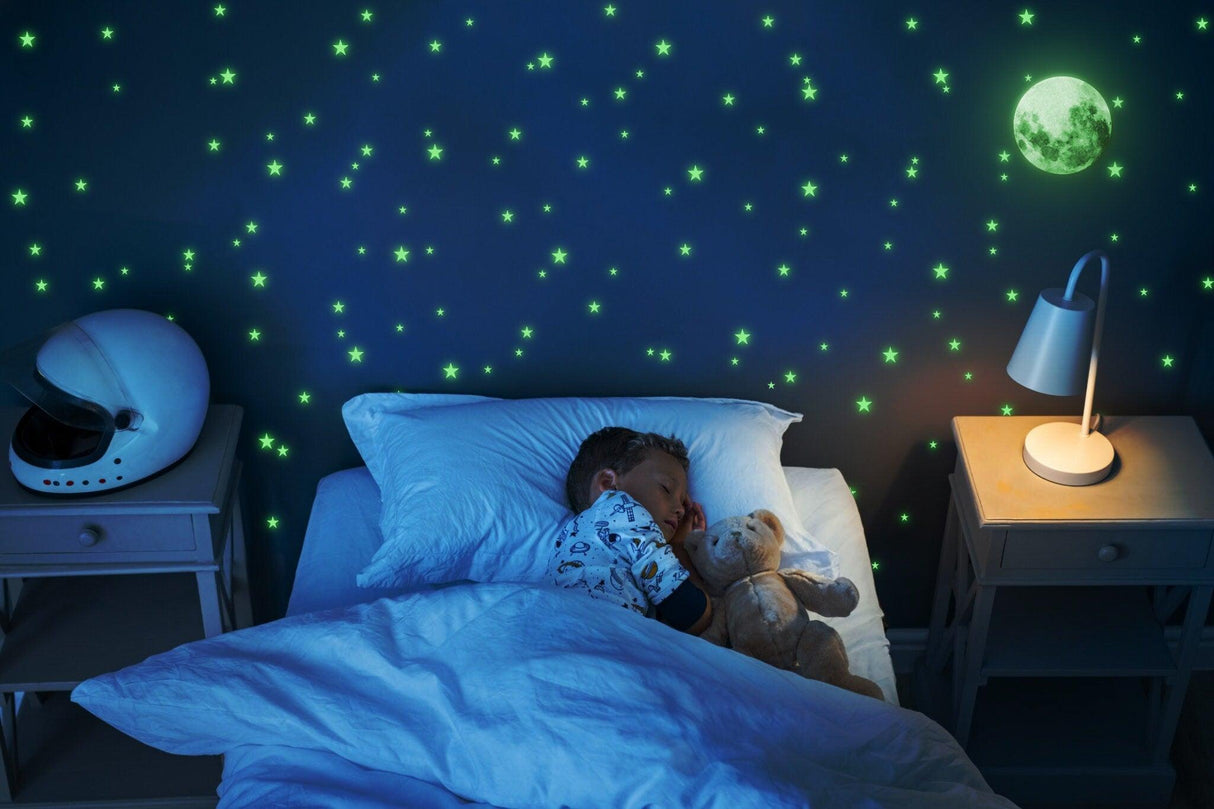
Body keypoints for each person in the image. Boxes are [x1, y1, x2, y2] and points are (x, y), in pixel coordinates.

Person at [548, 426, 713, 634]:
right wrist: (679, 546)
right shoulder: (623, 509)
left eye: (682, 501)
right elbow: (694, 614)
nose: (681, 510)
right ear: (609, 484)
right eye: (666, 489)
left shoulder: (566, 538)